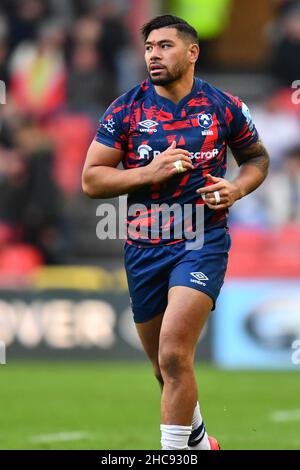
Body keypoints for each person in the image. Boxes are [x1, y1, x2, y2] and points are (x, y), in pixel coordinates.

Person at [82, 14, 269, 450]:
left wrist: (237, 188)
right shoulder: (125, 108)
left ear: (192, 52)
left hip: (201, 242)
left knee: (172, 352)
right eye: (149, 47)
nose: (153, 55)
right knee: (163, 367)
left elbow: (257, 159)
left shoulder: (224, 106)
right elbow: (92, 180)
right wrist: (148, 171)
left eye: (165, 46)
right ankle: (200, 441)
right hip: (144, 246)